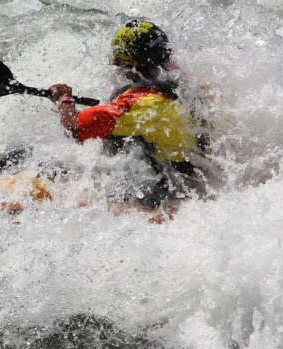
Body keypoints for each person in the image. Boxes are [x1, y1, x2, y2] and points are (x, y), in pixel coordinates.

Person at [50, 20, 210, 215]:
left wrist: (64, 99)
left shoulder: (138, 103)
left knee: (20, 157)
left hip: (159, 196)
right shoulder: (188, 87)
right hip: (191, 182)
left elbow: (75, 129)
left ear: (129, 67)